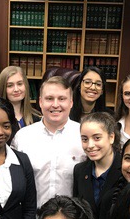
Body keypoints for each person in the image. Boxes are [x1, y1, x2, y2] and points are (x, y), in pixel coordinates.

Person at [12, 76, 86, 208]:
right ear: (40, 102)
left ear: (71, 102)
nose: (55, 105)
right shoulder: (23, 137)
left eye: (62, 99)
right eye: (49, 98)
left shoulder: (84, 136)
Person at [73, 112, 122, 219]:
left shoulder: (126, 169)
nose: (90, 145)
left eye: (97, 138)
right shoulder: (80, 170)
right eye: (85, 139)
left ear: (111, 137)